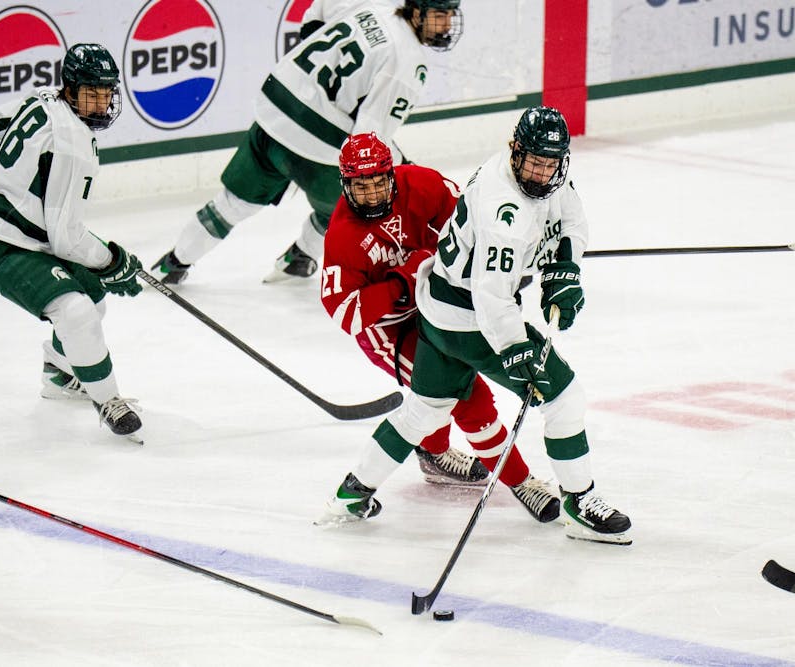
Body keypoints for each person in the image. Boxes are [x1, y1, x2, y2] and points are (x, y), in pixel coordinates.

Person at [321, 108, 632, 545]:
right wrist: (513, 347)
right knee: (563, 397)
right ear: (515, 151)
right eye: (534, 163)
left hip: (436, 309)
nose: (541, 173)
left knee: (425, 410)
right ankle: (580, 504)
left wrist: (564, 264)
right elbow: (491, 294)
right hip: (472, 319)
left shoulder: (536, 172)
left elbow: (569, 219)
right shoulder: (503, 208)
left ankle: (352, 494)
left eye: (550, 163)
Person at [319, 133, 560, 522]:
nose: (373, 194)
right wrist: (402, 281)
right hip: (393, 330)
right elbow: (346, 312)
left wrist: (502, 264)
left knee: (433, 401)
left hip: (445, 304)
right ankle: (520, 482)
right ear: (346, 185)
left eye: (380, 182)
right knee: (467, 398)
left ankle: (431, 455)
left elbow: (470, 224)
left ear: (392, 175)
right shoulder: (343, 235)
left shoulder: (421, 183)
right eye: (361, 187)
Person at [152, 0, 465, 285]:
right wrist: (403, 169)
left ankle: (173, 263)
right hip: (319, 145)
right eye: (440, 15)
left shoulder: (374, 6)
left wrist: (313, 86)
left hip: (275, 105)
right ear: (416, 11)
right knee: (347, 207)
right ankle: (300, 257)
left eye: (450, 15)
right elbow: (368, 140)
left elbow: (317, 11)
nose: (447, 25)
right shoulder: (408, 64)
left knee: (231, 204)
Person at [0, 43, 144, 442]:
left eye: (105, 94)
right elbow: (66, 237)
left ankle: (59, 373)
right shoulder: (72, 143)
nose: (99, 104)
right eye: (89, 94)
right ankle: (108, 400)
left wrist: (22, 179)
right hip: (5, 246)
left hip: (24, 234)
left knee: (93, 300)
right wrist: (112, 260)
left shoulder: (42, 98)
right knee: (76, 311)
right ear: (70, 88)